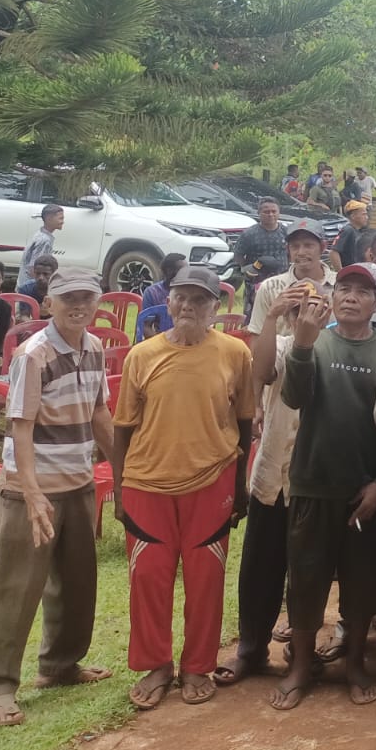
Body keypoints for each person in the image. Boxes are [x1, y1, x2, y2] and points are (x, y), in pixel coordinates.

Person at [111, 266, 255, 710]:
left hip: (212, 481)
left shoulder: (235, 354)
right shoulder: (142, 355)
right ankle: (157, 666)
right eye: (181, 297)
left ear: (216, 307)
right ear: (167, 301)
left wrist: (241, 483)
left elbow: (245, 422)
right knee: (149, 578)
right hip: (146, 484)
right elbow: (122, 430)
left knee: (206, 578)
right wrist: (119, 492)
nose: (189, 306)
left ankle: (196, 665)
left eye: (200, 299)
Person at [0, 269, 113, 727]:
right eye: (68, 298)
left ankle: (60, 666)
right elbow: (20, 426)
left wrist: (125, 469)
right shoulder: (33, 355)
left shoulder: (94, 348)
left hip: (77, 482)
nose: (79, 305)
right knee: (17, 590)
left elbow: (99, 413)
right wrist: (33, 494)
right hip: (29, 490)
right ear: (50, 303)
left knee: (77, 583)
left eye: (87, 298)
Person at [272, 264, 376, 711]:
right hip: (313, 484)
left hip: (366, 491)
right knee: (305, 580)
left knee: (363, 584)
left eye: (363, 291)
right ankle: (302, 665)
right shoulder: (316, 340)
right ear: (332, 294)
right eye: (344, 288)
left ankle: (355, 663)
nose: (351, 297)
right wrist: (302, 344)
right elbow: (295, 398)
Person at [213, 282, 320, 691]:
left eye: (312, 308)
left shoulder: (329, 348)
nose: (304, 316)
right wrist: (272, 317)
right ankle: (251, 647)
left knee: (307, 571)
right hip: (272, 474)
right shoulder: (278, 344)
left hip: (312, 480)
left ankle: (300, 649)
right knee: (260, 567)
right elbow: (260, 374)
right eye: (298, 310)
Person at [245, 221, 333, 334]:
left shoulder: (341, 285)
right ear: (287, 249)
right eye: (295, 246)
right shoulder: (270, 287)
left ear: (323, 247)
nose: (301, 252)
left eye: (308, 245)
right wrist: (273, 314)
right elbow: (257, 337)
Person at [234, 199, 288, 313]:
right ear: (259, 213)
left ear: (279, 213)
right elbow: (238, 255)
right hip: (256, 281)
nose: (271, 214)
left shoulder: (286, 232)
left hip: (281, 280)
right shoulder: (249, 234)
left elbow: (292, 253)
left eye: (274, 211)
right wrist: (247, 270)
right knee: (254, 313)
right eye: (266, 212)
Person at [16, 206, 64, 298]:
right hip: (30, 291)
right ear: (49, 219)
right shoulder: (44, 240)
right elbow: (33, 268)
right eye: (60, 218)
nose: (63, 221)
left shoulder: (40, 234)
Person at [331, 201, 373, 270]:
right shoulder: (348, 230)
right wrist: (340, 271)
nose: (367, 217)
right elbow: (333, 252)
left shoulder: (357, 231)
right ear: (353, 216)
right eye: (363, 214)